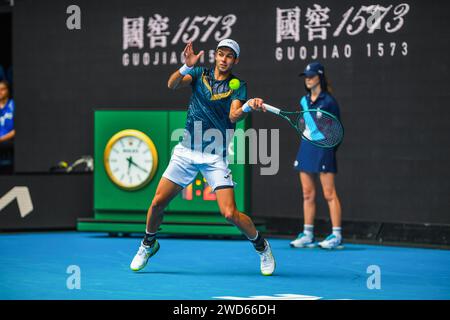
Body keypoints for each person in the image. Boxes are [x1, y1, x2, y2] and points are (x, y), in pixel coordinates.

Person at [130, 39, 276, 276]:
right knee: (157, 203)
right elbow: (172, 84)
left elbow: (233, 116)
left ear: (235, 60)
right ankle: (148, 244)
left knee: (229, 213)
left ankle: (262, 246)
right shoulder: (198, 74)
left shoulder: (238, 85)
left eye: (229, 56)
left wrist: (248, 106)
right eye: (221, 54)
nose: (224, 59)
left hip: (214, 157)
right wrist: (185, 67)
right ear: (215, 56)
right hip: (186, 152)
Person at [290, 62, 343, 250]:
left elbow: (337, 131)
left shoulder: (329, 102)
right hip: (306, 147)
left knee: (329, 193)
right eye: (306, 76)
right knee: (307, 193)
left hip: (324, 149)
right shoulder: (304, 101)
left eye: (311, 75)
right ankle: (308, 234)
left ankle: (336, 235)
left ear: (319, 77)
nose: (308, 79)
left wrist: (328, 150)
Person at [0, 80, 15, 172]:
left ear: (8, 91)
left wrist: (1, 139)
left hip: (9, 140)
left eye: (2, 89)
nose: (0, 92)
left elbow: (18, 129)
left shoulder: (13, 105)